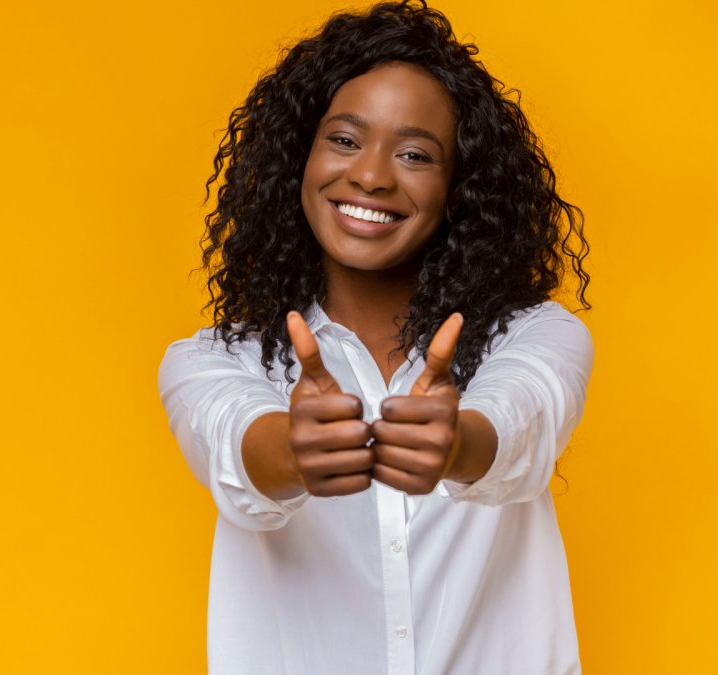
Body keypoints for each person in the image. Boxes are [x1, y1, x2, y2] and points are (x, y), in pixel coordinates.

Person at [158, 2, 593, 673]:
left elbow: (524, 415)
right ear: (298, 157)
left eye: (415, 152)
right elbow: (231, 439)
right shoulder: (210, 359)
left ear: (458, 190)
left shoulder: (536, 335)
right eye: (344, 139)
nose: (371, 175)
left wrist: (459, 443)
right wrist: (294, 450)